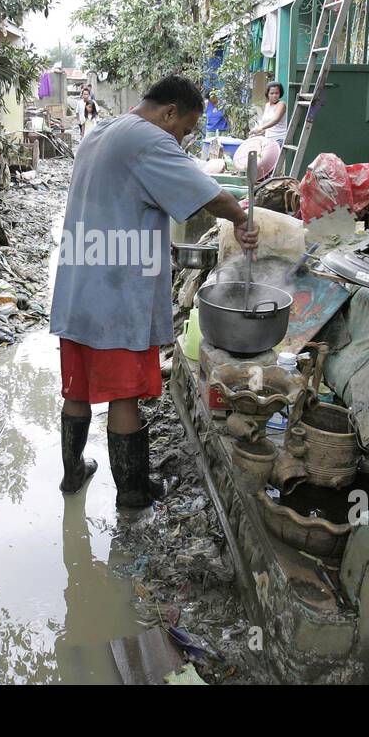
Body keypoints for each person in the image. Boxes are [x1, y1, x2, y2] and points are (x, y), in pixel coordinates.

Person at [50, 75, 259, 508]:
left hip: (78, 284)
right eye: (184, 130)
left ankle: (72, 476)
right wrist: (241, 218)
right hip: (115, 293)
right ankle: (133, 492)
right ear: (169, 113)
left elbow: (119, 202)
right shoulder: (150, 139)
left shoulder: (102, 131)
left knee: (78, 387)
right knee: (124, 396)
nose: (182, 140)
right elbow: (208, 194)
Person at [204, 90, 230, 157]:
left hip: (223, 130)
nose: (213, 99)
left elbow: (228, 116)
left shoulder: (223, 104)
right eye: (211, 97)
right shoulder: (206, 104)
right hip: (210, 130)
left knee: (223, 151)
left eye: (214, 96)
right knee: (209, 151)